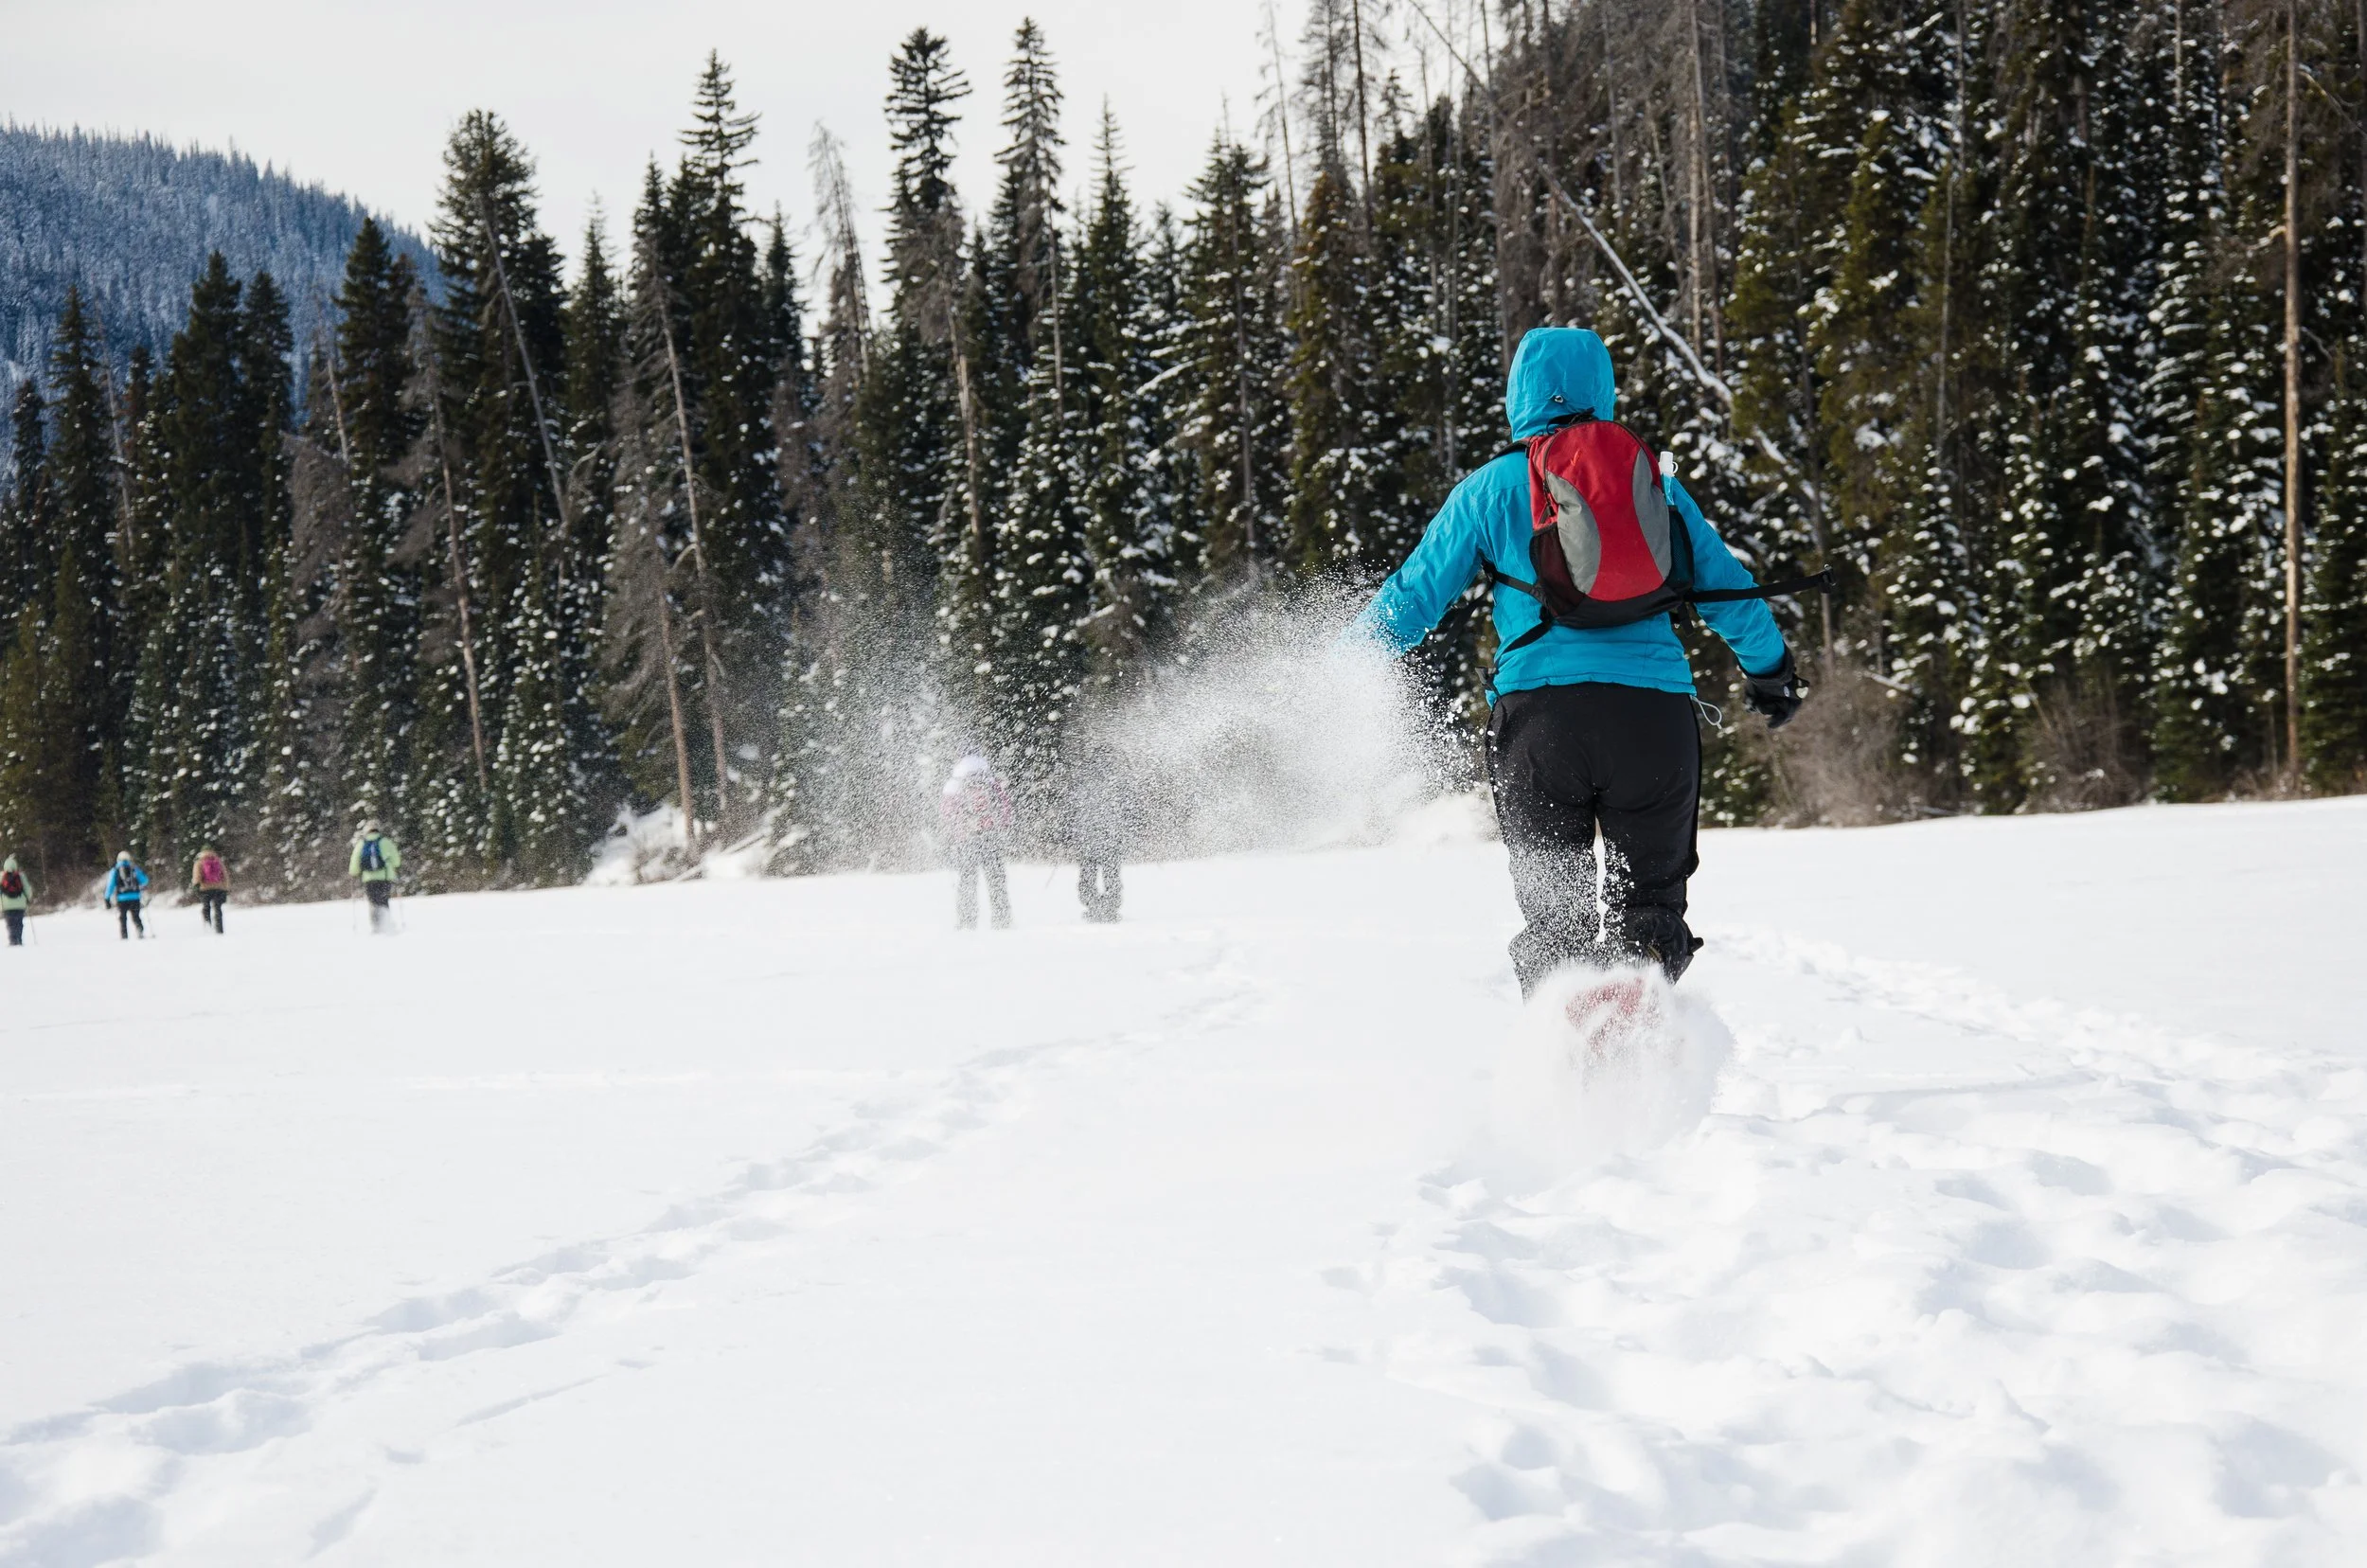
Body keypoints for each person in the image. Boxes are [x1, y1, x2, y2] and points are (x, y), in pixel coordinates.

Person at [1351, 327, 1808, 996]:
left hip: (1539, 728)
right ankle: (1641, 1052)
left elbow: (1410, 600)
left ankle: (1566, 1060)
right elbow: (1730, 593)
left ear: (1519, 397)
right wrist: (1771, 672)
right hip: (1653, 724)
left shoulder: (1489, 490)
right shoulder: (1656, 486)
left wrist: (1333, 672)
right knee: (1648, 914)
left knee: (1557, 927)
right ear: (1604, 389)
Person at [940, 755, 1015, 930]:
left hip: (965, 839)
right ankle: (1002, 919)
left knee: (967, 881)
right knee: (996, 880)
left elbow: (946, 814)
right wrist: (998, 825)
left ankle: (966, 921)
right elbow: (1006, 810)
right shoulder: (990, 782)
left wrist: (956, 831)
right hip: (990, 837)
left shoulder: (955, 784)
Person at [1063, 747, 1134, 924]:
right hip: (1112, 837)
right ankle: (1111, 907)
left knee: (1088, 875)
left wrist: (1069, 832)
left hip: (1088, 838)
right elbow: (1129, 808)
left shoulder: (1082, 780)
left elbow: (1071, 808)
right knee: (1112, 875)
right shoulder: (1118, 781)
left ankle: (1093, 905)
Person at [350, 821, 402, 934]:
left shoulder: (361, 844)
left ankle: (376, 927)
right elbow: (397, 861)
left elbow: (354, 863)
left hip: (369, 879)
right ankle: (386, 924)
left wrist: (354, 872)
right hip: (384, 878)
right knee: (383, 900)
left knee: (373, 902)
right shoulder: (385, 842)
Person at [103, 851, 150, 940]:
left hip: (122, 898)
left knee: (123, 918)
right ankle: (139, 930)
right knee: (136, 916)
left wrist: (107, 898)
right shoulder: (134, 868)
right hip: (135, 897)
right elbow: (144, 881)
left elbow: (111, 885)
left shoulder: (115, 870)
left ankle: (124, 935)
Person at [189, 846, 229, 934]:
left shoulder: (199, 862)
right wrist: (226, 888)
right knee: (218, 909)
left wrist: (196, 885)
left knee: (206, 908)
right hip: (219, 888)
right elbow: (225, 875)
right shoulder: (218, 860)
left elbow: (197, 876)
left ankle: (208, 928)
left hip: (205, 889)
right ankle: (219, 929)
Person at [0, 856, 29, 946]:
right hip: (20, 905)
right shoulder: (21, 876)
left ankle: (13, 940)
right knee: (19, 923)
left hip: (6, 906)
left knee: (10, 924)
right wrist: (28, 898)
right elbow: (27, 889)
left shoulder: (1, 876)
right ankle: (19, 940)